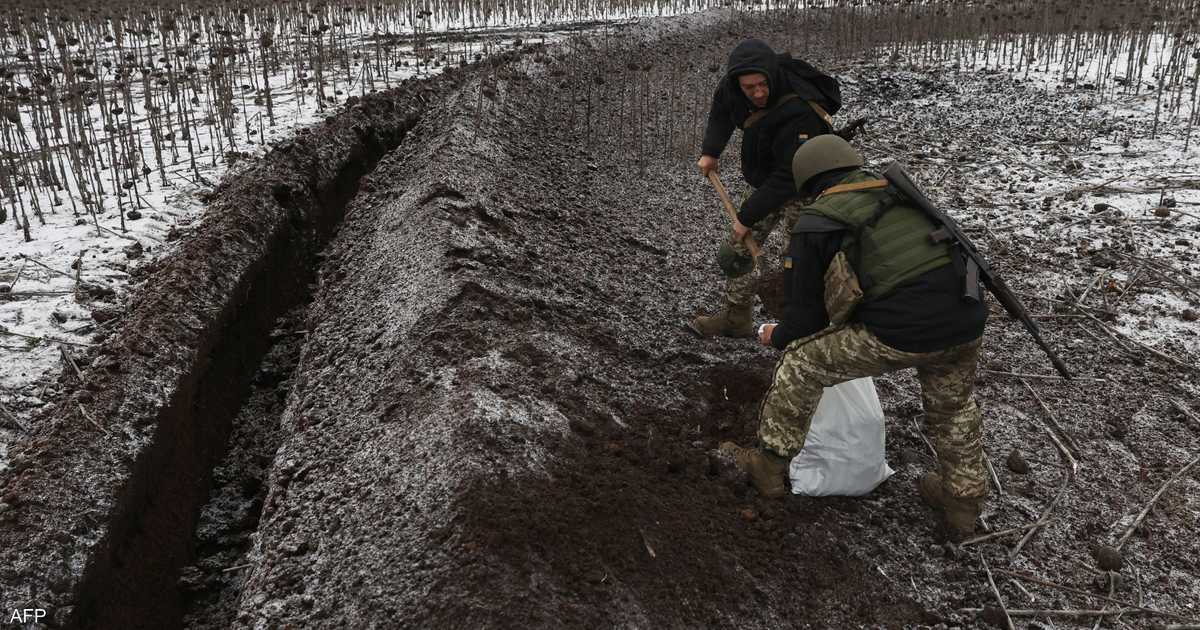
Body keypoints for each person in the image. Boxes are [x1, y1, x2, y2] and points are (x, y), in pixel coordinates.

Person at [719, 134, 990, 540]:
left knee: (802, 363)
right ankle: (962, 502)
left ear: (808, 182)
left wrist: (776, 336)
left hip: (903, 328)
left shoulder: (817, 220)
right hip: (966, 318)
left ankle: (768, 467)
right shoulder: (899, 194)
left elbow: (804, 321)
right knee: (953, 409)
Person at [689, 39, 841, 338]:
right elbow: (722, 110)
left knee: (799, 265)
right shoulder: (732, 86)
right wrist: (711, 151)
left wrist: (746, 217)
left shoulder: (801, 109)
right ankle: (736, 319)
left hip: (804, 187)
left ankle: (801, 332)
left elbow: (788, 177)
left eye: (763, 85)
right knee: (734, 253)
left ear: (772, 76)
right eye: (750, 88)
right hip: (766, 180)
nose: (758, 93)